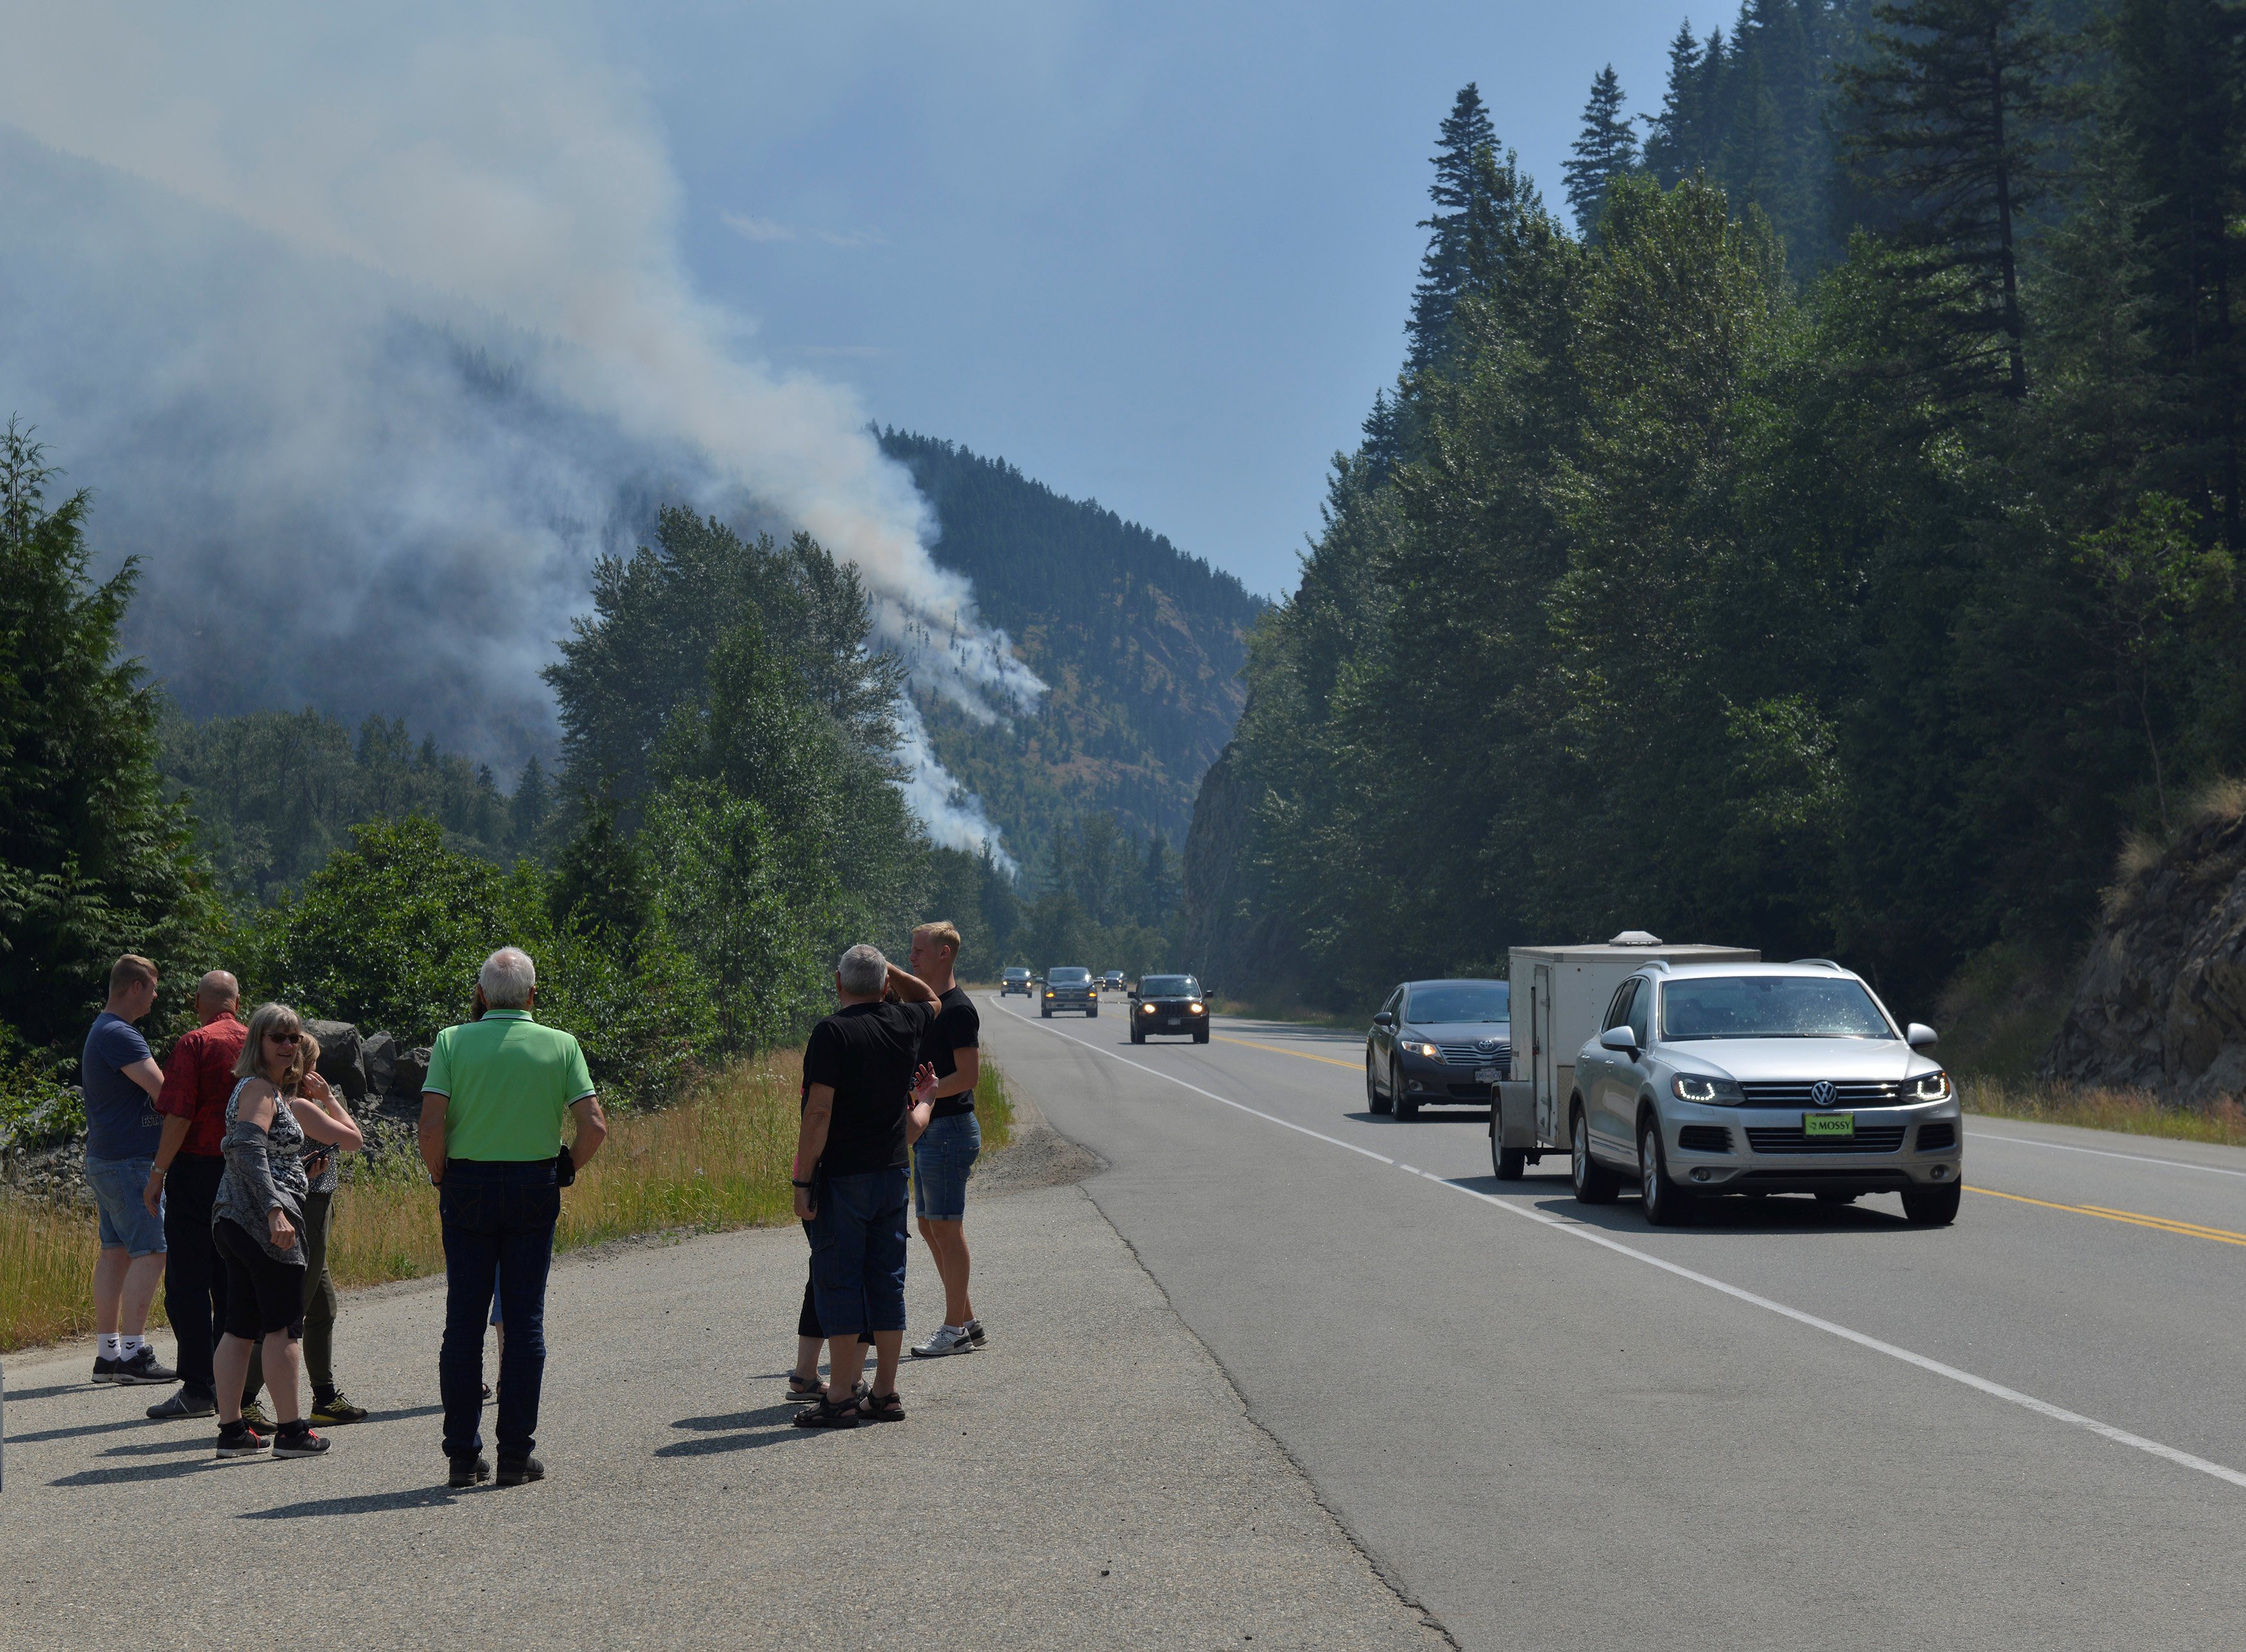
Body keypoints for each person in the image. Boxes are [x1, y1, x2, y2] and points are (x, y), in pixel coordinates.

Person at [420, 946, 607, 1489]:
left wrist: (440, 1175)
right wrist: (566, 1164)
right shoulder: (561, 1044)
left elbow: (430, 1127)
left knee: (464, 1321)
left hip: (468, 1185)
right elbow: (594, 1125)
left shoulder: (452, 1041)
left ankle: (461, 1454)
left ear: (480, 994)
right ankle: (514, 1454)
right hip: (533, 1183)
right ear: (532, 994)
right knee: (523, 1322)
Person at [791, 944, 939, 1429]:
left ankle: (839, 1396)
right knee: (886, 1278)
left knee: (840, 1278)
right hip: (893, 1172)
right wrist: (887, 966)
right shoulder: (905, 1022)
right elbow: (933, 998)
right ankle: (885, 1391)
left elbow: (818, 1112)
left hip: (844, 1175)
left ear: (838, 983)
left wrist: (802, 1177)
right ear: (885, 986)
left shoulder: (832, 1032)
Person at [210, 1002, 363, 1460]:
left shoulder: (267, 1091)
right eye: (278, 1036)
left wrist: (297, 1169)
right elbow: (247, 1150)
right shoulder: (258, 1087)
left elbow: (264, 1156)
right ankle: (293, 1431)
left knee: (240, 1326)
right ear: (257, 1040)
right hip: (261, 1224)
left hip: (238, 1218)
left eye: (294, 1036)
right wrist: (277, 1207)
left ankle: (233, 1431)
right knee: (283, 1328)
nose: (288, 1044)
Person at [240, 1032, 368, 1427]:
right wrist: (329, 1099)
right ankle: (245, 1398)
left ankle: (325, 1396)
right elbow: (353, 1140)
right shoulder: (298, 1106)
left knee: (322, 1307)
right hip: (307, 1209)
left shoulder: (290, 1104)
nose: (318, 1072)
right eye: (314, 1064)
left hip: (317, 1203)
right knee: (290, 1308)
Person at [143, 971, 249, 1422]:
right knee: (230, 1280)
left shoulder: (194, 1043)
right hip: (245, 1171)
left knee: (187, 1283)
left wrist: (158, 1172)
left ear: (197, 1002)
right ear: (238, 1003)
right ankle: (234, 1386)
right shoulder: (259, 1038)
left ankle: (198, 1386)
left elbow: (180, 1113)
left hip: (197, 1173)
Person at [81, 955, 176, 1388]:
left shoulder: (104, 1029)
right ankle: (134, 1354)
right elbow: (163, 1092)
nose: (157, 995)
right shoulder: (121, 1033)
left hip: (108, 1157)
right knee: (153, 1250)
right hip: (129, 1162)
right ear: (135, 986)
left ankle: (108, 1354)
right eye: (153, 987)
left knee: (116, 1251)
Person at [905, 921, 987, 1359]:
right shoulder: (928, 1005)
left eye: (919, 951)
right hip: (931, 1128)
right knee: (929, 1224)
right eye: (911, 949)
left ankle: (954, 1329)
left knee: (947, 1227)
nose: (912, 957)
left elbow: (969, 1076)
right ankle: (968, 1319)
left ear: (944, 954)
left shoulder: (958, 1009)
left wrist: (928, 1096)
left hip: (950, 1128)